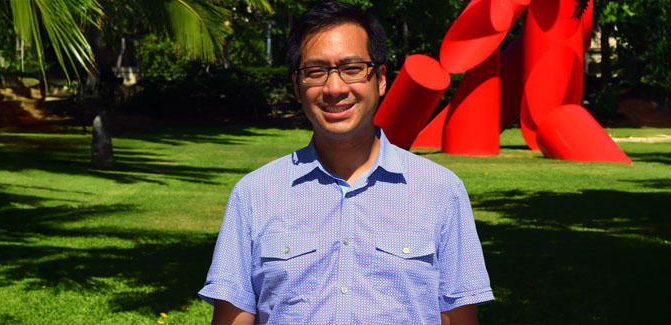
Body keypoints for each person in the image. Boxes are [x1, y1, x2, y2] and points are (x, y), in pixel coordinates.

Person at [198, 2, 493, 324]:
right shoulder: (255, 194)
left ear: (380, 79)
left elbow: (459, 315)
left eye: (352, 69)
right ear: (297, 86)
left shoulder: (440, 190)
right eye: (316, 72)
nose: (335, 88)